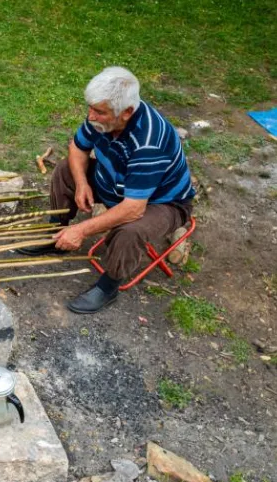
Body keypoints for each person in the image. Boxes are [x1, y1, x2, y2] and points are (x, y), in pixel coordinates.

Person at [20, 66, 194, 313]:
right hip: (116, 185)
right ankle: (56, 231)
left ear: (126, 113)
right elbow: (77, 148)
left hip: (161, 202)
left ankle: (109, 286)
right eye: (91, 108)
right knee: (64, 170)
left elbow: (133, 209)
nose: (91, 116)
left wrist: (80, 230)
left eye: (99, 112)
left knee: (130, 230)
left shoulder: (148, 143)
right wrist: (81, 183)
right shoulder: (102, 118)